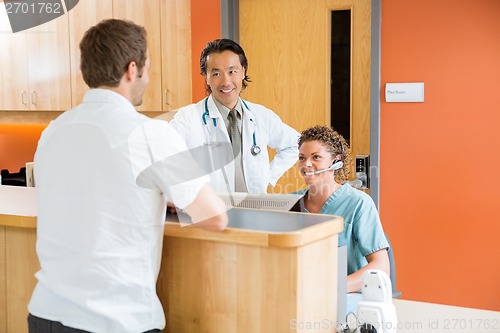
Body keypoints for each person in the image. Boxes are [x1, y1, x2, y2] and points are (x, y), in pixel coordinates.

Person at [27, 19, 228, 333]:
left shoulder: (52, 132)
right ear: (132, 69)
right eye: (147, 67)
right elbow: (214, 216)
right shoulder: (149, 133)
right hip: (114, 321)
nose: (147, 77)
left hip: (46, 314)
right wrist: (170, 194)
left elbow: (91, 193)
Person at [170, 38, 299, 194]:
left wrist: (268, 176)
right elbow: (165, 156)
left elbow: (296, 145)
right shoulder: (188, 117)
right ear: (206, 77)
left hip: (255, 210)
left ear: (243, 72)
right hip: (213, 210)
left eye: (232, 71)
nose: (226, 81)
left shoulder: (261, 115)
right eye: (216, 73)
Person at [296, 125, 389, 293]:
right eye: (302, 158)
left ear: (336, 161)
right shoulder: (290, 202)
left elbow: (381, 266)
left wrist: (333, 287)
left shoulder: (358, 203)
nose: (306, 164)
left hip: (345, 297)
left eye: (316, 157)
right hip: (301, 294)